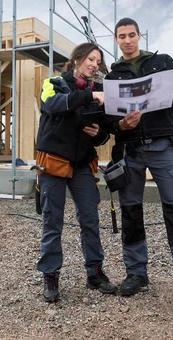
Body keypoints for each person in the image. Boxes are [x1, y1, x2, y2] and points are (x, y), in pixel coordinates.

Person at [104, 17, 173, 324]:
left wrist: (155, 93)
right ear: (116, 40)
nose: (127, 40)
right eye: (122, 36)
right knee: (130, 212)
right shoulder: (113, 75)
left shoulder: (163, 62)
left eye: (131, 35)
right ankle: (136, 274)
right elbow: (109, 119)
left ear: (140, 36)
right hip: (130, 149)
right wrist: (120, 124)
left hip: (164, 145)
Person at [36, 42, 117, 303]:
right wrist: (89, 96)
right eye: (90, 59)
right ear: (77, 59)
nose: (94, 64)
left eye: (98, 61)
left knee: (90, 220)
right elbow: (52, 105)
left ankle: (95, 273)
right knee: (53, 221)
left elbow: (105, 130)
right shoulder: (54, 83)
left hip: (83, 164)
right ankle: (50, 275)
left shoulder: (99, 90)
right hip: (54, 162)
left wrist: (100, 134)